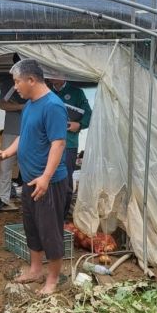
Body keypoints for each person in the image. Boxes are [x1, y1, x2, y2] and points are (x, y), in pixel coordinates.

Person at [0, 59, 68, 295]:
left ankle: (52, 279)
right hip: (30, 180)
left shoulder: (53, 106)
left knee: (50, 231)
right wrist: (7, 152)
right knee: (32, 227)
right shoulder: (30, 104)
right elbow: (23, 135)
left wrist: (46, 177)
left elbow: (58, 143)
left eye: (17, 82)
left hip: (47, 182)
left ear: (31, 80)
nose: (16, 87)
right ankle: (35, 269)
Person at [47, 73, 92, 219]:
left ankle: (62, 215)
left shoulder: (77, 93)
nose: (53, 75)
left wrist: (78, 125)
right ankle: (49, 213)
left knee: (65, 181)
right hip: (47, 144)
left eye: (55, 71)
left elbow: (88, 115)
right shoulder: (46, 92)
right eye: (50, 71)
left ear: (64, 73)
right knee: (47, 179)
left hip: (68, 144)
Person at [0, 73, 27, 211]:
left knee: (28, 166)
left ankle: (29, 199)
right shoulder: (8, 83)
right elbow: (3, 104)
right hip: (11, 131)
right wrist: (21, 106)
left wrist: (17, 106)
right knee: (5, 166)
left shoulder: (33, 81)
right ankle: (3, 198)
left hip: (29, 131)